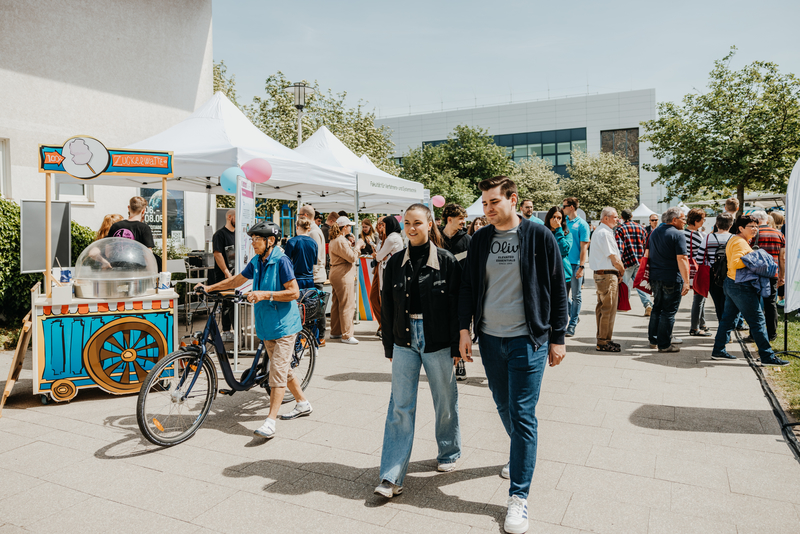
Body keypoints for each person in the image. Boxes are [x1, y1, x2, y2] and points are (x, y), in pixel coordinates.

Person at [458, 176, 568, 534]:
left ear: (512, 199)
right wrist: (464, 329)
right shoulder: (480, 240)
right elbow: (469, 286)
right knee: (504, 406)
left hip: (528, 341)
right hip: (490, 339)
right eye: (484, 204)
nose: (488, 209)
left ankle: (518, 496)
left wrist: (558, 337)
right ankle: (523, 451)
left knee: (522, 414)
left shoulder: (539, 236)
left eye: (494, 202)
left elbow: (556, 287)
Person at [375, 204, 462, 499]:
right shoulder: (396, 261)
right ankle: (391, 475)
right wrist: (389, 343)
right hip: (404, 340)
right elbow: (387, 305)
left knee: (445, 401)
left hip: (438, 341)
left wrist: (458, 344)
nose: (412, 228)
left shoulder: (447, 261)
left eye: (418, 223)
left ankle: (448, 451)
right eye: (407, 223)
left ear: (430, 224)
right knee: (400, 407)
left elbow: (458, 307)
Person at [196, 221, 312, 439]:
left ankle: (270, 422)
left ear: (270, 241)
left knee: (276, 374)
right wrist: (210, 287)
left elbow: (294, 292)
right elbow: (239, 279)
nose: (253, 243)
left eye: (256, 239)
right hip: (267, 325)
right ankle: (303, 403)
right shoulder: (258, 260)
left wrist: (265, 294)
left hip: (284, 326)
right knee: (284, 371)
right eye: (252, 239)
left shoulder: (281, 261)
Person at [710, 215, 789, 366]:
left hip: (732, 283)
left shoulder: (736, 239)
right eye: (751, 226)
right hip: (741, 286)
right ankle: (767, 356)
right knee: (758, 321)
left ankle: (718, 350)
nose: (755, 229)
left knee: (727, 319)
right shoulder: (740, 242)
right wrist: (754, 257)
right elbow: (735, 264)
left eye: (756, 226)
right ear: (740, 228)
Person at [646, 207, 690, 353]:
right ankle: (664, 344)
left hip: (655, 276)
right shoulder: (678, 234)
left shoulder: (654, 232)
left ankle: (653, 339)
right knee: (669, 311)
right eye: (683, 218)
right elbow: (682, 258)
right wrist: (687, 281)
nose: (685, 221)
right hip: (671, 277)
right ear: (674, 220)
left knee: (657, 308)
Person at [439, 203, 472, 381]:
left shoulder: (467, 240)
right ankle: (441, 363)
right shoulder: (434, 236)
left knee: (462, 327)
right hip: (438, 291)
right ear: (449, 219)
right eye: (460, 219)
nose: (463, 223)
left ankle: (461, 362)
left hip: (460, 291)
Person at [589, 207, 624, 352]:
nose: (618, 219)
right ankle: (603, 341)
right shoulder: (604, 232)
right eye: (615, 217)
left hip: (603, 274)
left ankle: (604, 339)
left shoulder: (602, 231)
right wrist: (621, 270)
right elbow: (614, 257)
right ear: (606, 218)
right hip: (607, 275)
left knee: (603, 308)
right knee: (607, 309)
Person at [750, 210, 785, 342]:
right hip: (773, 272)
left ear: (757, 220)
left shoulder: (753, 233)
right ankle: (772, 334)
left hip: (755, 273)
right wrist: (782, 275)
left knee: (755, 303)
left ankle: (754, 334)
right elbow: (782, 258)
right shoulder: (779, 234)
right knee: (771, 303)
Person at [298, 205, 327, 345]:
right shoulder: (315, 229)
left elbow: (314, 257)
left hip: (314, 275)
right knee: (315, 308)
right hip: (315, 274)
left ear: (305, 215)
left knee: (314, 310)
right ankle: (318, 337)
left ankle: (319, 337)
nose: (297, 218)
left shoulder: (313, 232)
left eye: (299, 215)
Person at [615, 208, 653, 316]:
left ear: (621, 218)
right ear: (632, 216)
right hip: (640, 260)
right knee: (641, 285)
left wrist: (619, 263)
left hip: (627, 261)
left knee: (624, 284)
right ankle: (648, 304)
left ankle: (624, 305)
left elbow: (619, 248)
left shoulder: (620, 229)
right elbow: (646, 245)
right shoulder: (642, 228)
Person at [562, 197, 591, 337]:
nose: (562, 208)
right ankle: (574, 315)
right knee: (562, 294)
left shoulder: (582, 224)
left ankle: (572, 324)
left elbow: (584, 248)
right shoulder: (563, 222)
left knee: (576, 296)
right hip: (563, 265)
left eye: (564, 206)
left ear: (572, 207)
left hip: (575, 266)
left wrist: (582, 266)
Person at [328, 216, 359, 344]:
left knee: (336, 303)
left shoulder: (335, 239)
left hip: (336, 272)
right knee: (347, 304)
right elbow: (352, 258)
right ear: (344, 227)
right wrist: (357, 247)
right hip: (343, 274)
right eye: (349, 226)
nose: (351, 228)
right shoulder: (341, 240)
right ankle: (346, 335)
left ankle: (335, 332)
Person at [109, 196, 161, 269]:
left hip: (116, 270)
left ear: (128, 208)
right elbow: (148, 255)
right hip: (136, 271)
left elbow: (107, 253)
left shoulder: (115, 226)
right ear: (143, 211)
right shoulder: (144, 228)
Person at [372, 216, 404, 337]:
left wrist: (378, 255)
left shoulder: (391, 238)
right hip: (391, 271)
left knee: (386, 301)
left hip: (388, 272)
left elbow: (379, 257)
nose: (382, 228)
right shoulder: (396, 237)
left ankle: (387, 328)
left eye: (384, 225)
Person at [699, 213, 733, 321]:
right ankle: (727, 331)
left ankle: (722, 328)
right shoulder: (734, 238)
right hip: (730, 275)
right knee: (729, 304)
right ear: (731, 225)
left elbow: (699, 259)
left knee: (718, 305)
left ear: (716, 224)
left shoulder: (708, 237)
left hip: (713, 275)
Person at [212, 209, 236, 342]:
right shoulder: (219, 235)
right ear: (229, 217)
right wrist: (226, 273)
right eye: (236, 217)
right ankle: (226, 331)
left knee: (234, 303)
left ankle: (235, 329)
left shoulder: (237, 234)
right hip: (225, 276)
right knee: (227, 304)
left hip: (236, 276)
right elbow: (217, 254)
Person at [685, 208, 709, 337]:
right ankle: (695, 327)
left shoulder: (682, 233)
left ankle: (702, 324)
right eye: (703, 219)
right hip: (697, 268)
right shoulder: (698, 235)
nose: (704, 221)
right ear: (696, 220)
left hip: (685, 268)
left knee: (700, 297)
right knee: (699, 297)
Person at [283, 218, 318, 290]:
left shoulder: (292, 242)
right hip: (310, 279)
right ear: (308, 228)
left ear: (297, 227)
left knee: (295, 301)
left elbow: (286, 263)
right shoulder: (314, 243)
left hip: (295, 279)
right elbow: (314, 262)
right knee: (309, 300)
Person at [544, 206, 572, 282]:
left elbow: (563, 250)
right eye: (554, 217)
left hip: (563, 276)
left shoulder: (567, 234)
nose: (556, 220)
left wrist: (559, 230)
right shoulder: (542, 233)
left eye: (559, 218)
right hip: (546, 275)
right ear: (549, 218)